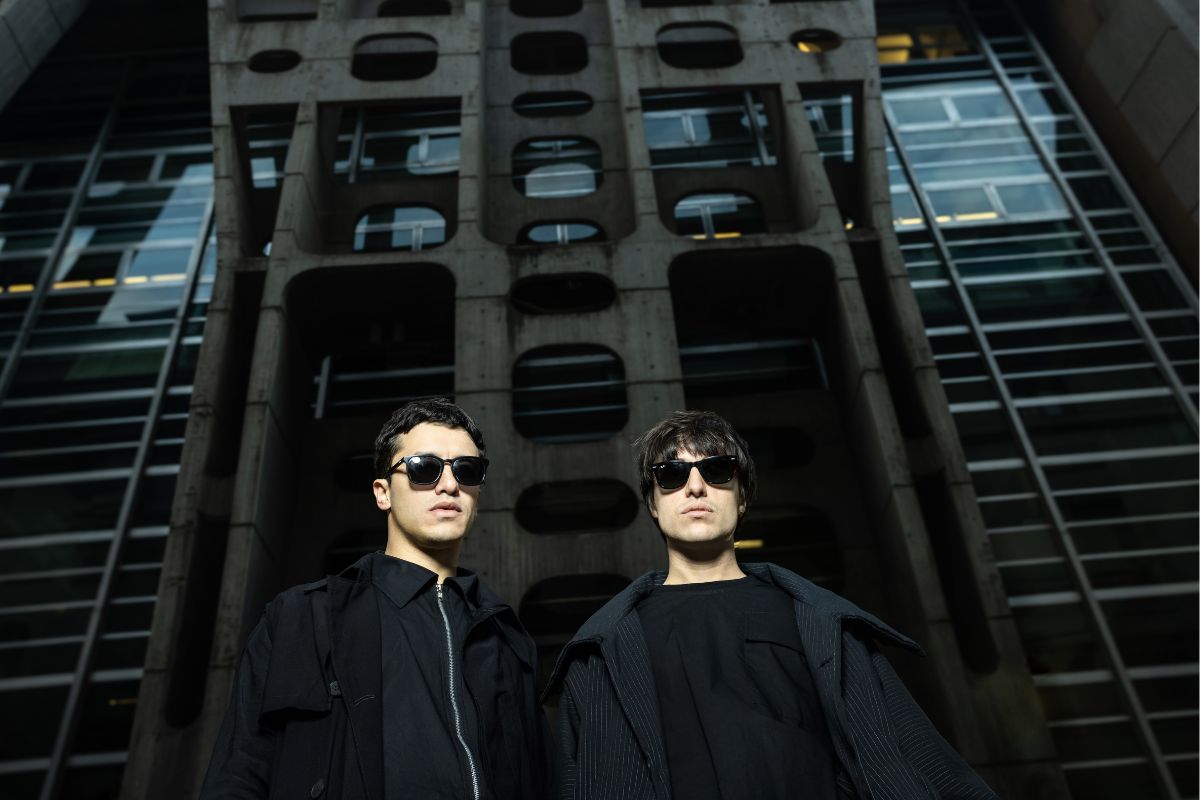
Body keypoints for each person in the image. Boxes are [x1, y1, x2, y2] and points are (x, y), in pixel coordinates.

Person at [546, 410, 998, 800]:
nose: (696, 487)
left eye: (718, 471)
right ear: (652, 503)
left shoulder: (819, 622)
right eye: (672, 475)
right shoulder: (601, 652)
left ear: (741, 498)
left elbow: (916, 757)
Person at [201, 397, 548, 800]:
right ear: (383, 493)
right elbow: (240, 771)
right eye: (424, 468)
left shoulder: (506, 637)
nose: (450, 485)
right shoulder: (303, 617)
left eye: (467, 471)